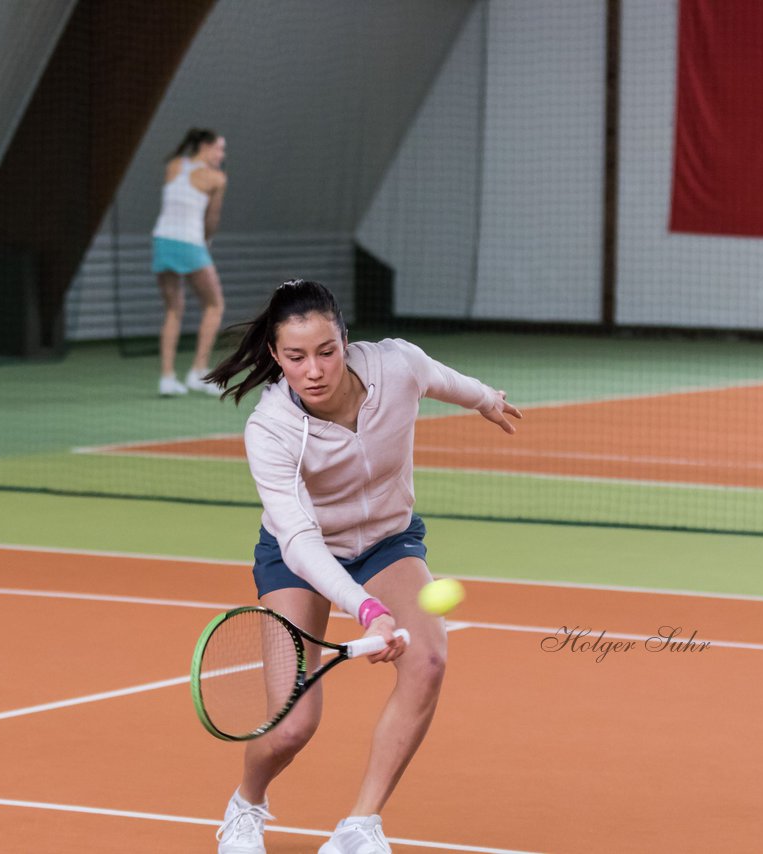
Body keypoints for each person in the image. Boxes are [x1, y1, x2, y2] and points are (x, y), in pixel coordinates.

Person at [204, 280, 522, 854]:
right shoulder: (271, 428)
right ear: (277, 357)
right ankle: (247, 805)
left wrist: (485, 400)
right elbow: (300, 539)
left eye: (326, 351)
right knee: (293, 726)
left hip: (386, 540)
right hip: (298, 557)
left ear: (345, 341)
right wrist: (366, 608)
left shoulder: (395, 366)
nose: (315, 370)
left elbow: (445, 380)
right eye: (296, 357)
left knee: (427, 658)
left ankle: (360, 826)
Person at [152, 127, 228, 396]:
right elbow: (212, 219)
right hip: (191, 244)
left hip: (162, 241)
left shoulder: (173, 166)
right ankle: (198, 371)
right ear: (205, 147)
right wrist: (206, 241)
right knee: (215, 304)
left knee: (173, 309)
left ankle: (167, 378)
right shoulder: (217, 178)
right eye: (219, 148)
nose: (222, 154)